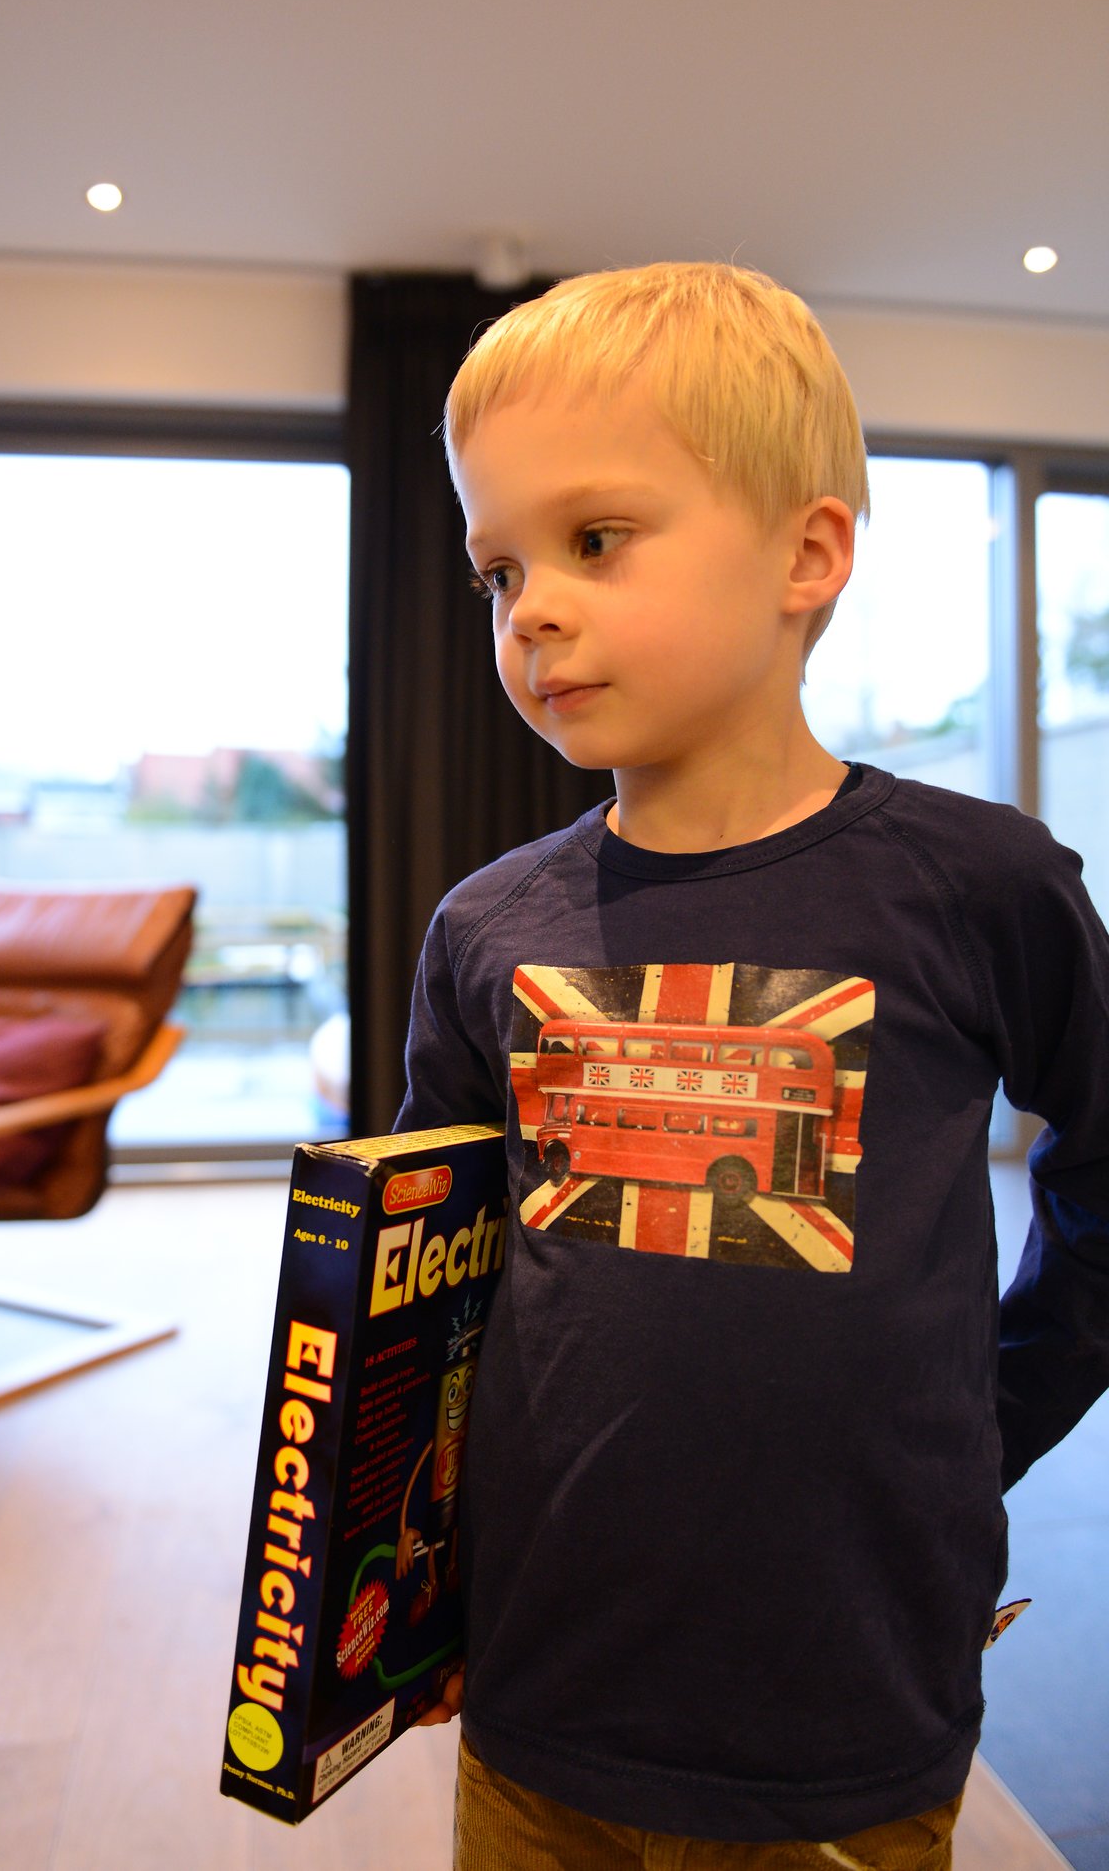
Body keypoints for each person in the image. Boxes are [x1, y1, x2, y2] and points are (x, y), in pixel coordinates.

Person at [393, 262, 1109, 1869]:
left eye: (592, 541)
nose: (534, 610)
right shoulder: (487, 927)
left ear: (809, 552)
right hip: (541, 1683)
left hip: (843, 1701)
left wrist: (996, 1407)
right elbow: (423, 1279)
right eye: (496, 569)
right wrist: (400, 1582)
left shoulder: (979, 888)